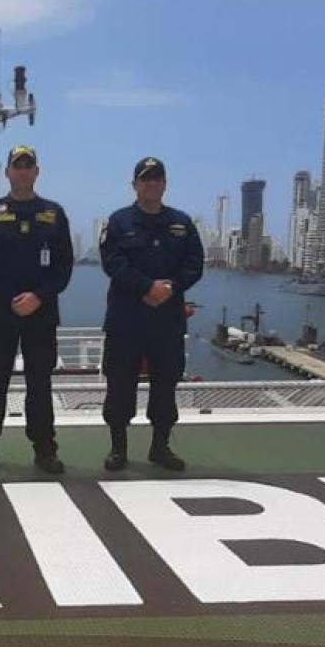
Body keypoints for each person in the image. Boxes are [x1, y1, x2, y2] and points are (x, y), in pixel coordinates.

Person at [0, 145, 73, 474]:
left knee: (39, 383)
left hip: (41, 314)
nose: (23, 171)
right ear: (8, 172)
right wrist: (12, 298)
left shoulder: (54, 214)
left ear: (36, 172)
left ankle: (45, 449)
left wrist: (37, 297)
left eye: (29, 166)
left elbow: (64, 266)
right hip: (0, 313)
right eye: (18, 165)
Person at [98, 157, 203, 472]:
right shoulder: (118, 222)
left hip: (166, 321)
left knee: (166, 384)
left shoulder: (182, 224)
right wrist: (146, 287)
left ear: (165, 184)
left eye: (158, 178)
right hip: (126, 320)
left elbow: (194, 265)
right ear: (135, 185)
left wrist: (170, 286)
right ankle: (118, 449)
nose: (152, 183)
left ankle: (161, 447)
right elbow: (113, 263)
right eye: (146, 179)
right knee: (119, 384)